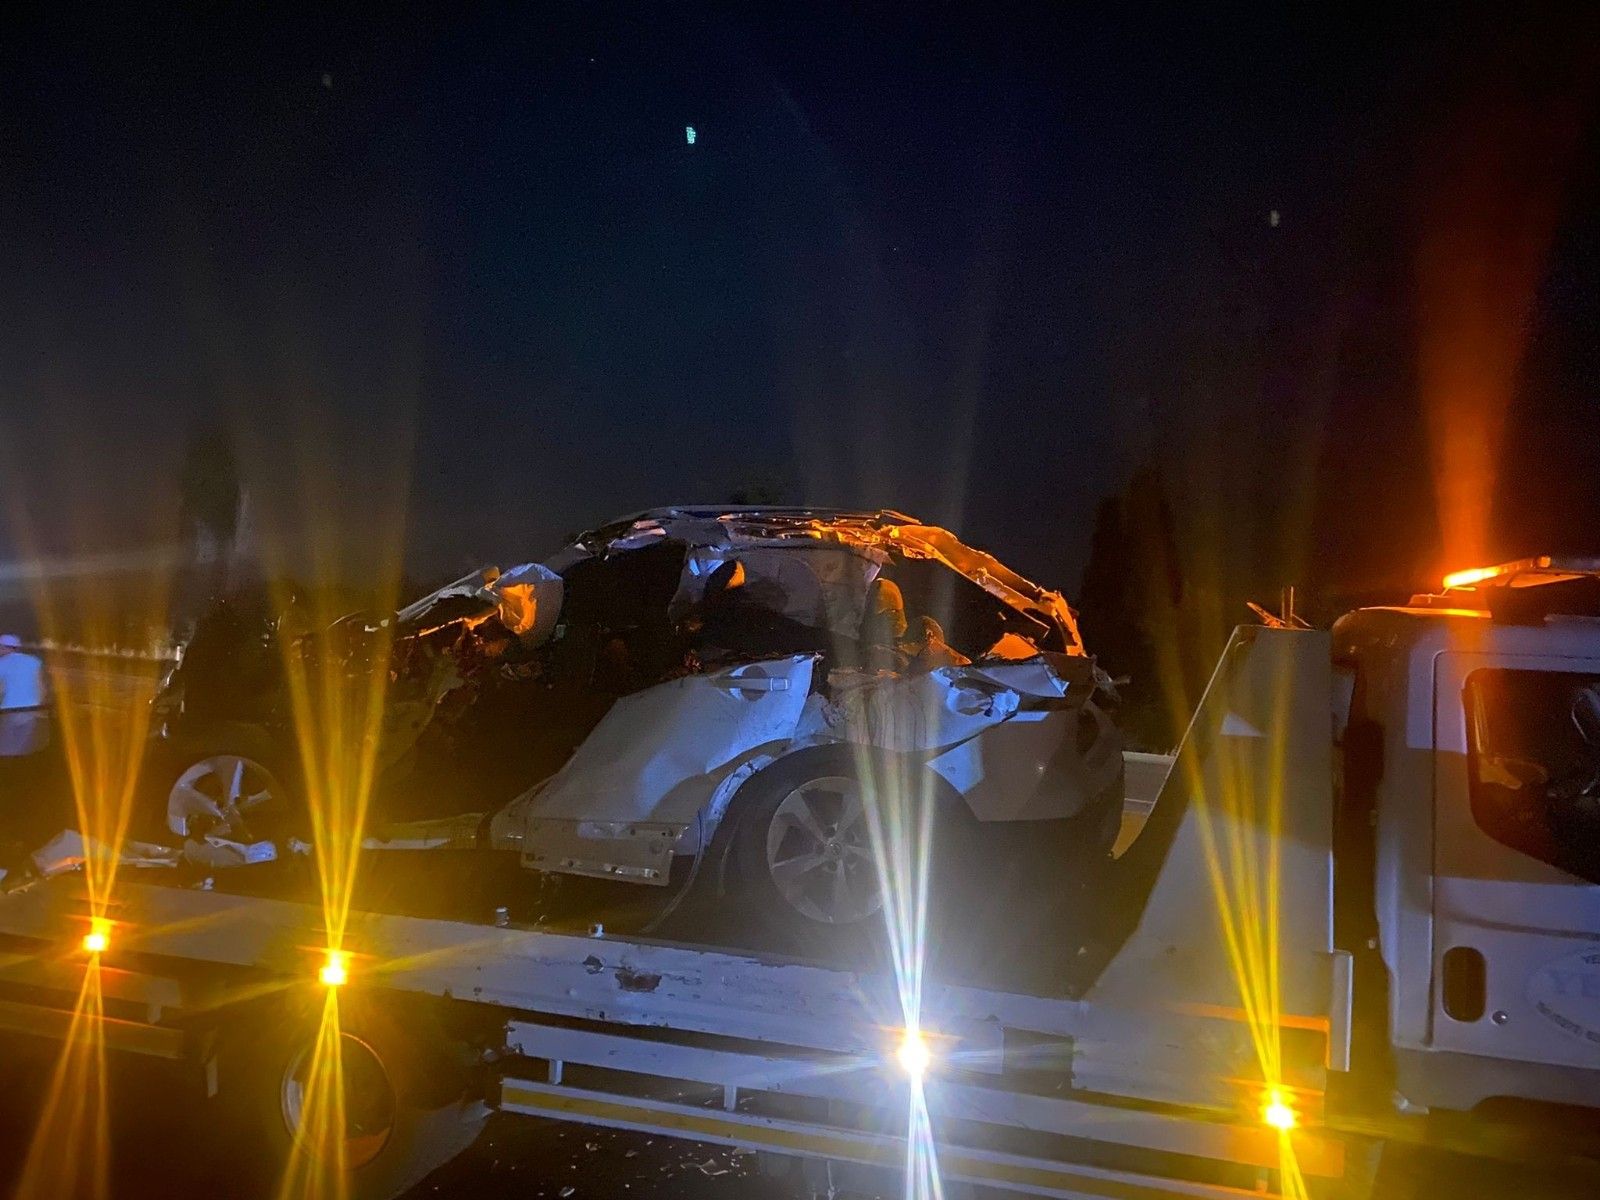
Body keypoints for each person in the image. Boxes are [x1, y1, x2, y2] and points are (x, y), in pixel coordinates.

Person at [0, 634, 48, 758]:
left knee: (6, 747)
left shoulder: (2, 663)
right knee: (22, 745)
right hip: (31, 710)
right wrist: (39, 708)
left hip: (9, 710)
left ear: (4, 647)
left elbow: (1, 689)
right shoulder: (33, 661)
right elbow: (41, 687)